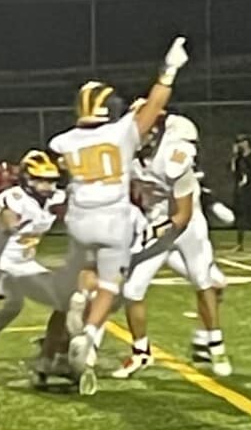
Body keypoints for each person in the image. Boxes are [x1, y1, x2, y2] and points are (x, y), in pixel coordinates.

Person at [48, 36, 189, 395]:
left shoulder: (63, 141)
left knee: (86, 268)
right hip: (114, 217)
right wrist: (169, 70)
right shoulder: (121, 131)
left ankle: (80, 296)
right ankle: (91, 337)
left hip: (79, 216)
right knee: (111, 284)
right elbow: (155, 104)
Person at [114, 114, 231, 380]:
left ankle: (215, 345)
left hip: (187, 227)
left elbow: (182, 216)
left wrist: (150, 232)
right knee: (132, 290)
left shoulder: (174, 156)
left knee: (204, 282)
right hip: (155, 223)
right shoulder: (126, 155)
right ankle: (141, 352)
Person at [0, 150, 79, 382]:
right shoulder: (15, 198)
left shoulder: (55, 198)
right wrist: (13, 225)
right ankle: (51, 355)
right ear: (27, 178)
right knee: (18, 304)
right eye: (41, 180)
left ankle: (54, 353)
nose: (47, 185)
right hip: (1, 262)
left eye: (50, 180)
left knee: (64, 301)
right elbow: (9, 220)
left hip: (25, 261)